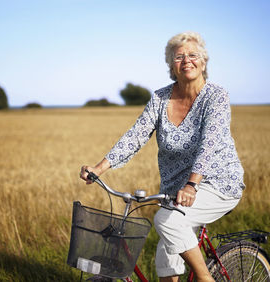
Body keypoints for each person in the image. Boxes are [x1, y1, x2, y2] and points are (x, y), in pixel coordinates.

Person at [80, 31, 245, 282]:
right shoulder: (160, 98)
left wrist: (192, 184)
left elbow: (209, 144)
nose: (187, 60)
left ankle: (205, 278)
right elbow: (135, 135)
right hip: (174, 191)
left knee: (167, 222)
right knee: (165, 257)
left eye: (193, 55)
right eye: (179, 57)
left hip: (217, 182)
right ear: (171, 65)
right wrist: (100, 167)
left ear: (204, 62)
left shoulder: (216, 96)